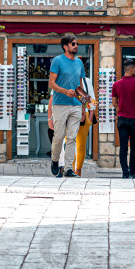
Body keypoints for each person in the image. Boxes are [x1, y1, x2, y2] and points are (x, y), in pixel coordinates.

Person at [48, 34, 85, 178]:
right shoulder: (57, 61)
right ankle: (55, 160)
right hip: (60, 104)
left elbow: (80, 85)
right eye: (73, 44)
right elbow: (51, 83)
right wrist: (64, 91)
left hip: (76, 105)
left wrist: (83, 107)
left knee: (72, 138)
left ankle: (69, 168)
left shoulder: (80, 63)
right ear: (65, 46)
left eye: (77, 44)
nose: (76, 46)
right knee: (59, 136)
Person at [112, 59, 135, 179]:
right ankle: (132, 172)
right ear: (132, 69)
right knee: (134, 147)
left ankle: (124, 173)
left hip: (122, 118)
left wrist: (122, 106)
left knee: (123, 147)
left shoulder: (116, 84)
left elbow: (114, 103)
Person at [75, 78, 95, 177]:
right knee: (69, 142)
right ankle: (69, 168)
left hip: (85, 114)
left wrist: (90, 117)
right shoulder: (66, 78)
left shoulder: (86, 81)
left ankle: (78, 170)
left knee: (81, 145)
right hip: (70, 113)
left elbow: (92, 99)